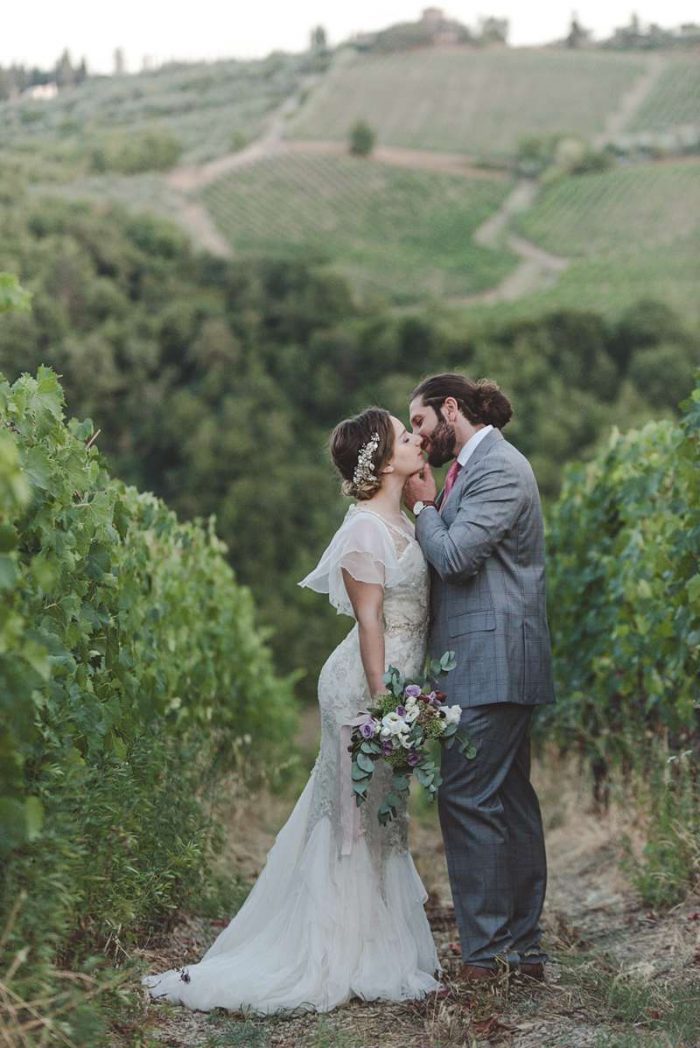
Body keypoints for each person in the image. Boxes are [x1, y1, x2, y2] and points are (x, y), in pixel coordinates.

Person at [141, 407, 441, 1013]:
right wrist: (385, 700)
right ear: (383, 461)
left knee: (385, 812)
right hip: (364, 684)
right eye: (404, 435)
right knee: (352, 818)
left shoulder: (405, 520)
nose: (417, 439)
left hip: (399, 680)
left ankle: (377, 944)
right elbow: (368, 622)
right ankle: (336, 950)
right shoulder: (362, 531)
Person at [404, 373, 555, 983]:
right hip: (492, 663)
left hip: (491, 664)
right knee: (508, 803)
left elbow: (457, 558)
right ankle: (521, 953)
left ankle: (488, 959)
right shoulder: (472, 468)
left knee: (468, 799)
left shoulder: (497, 467)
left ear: (449, 409)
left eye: (418, 423)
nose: (418, 436)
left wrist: (419, 504)